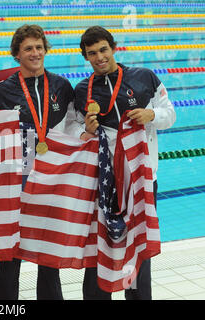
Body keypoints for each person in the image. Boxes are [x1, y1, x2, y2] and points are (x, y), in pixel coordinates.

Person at [71, 25, 176, 300]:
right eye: (92, 53)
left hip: (142, 180)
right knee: (99, 244)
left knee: (139, 246)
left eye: (103, 50)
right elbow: (72, 129)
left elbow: (170, 114)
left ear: (113, 48)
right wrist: (87, 130)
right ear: (86, 57)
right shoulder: (83, 90)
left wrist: (151, 114)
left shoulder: (145, 78)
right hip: (103, 182)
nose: (99, 57)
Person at [0, 24, 75, 300]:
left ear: (46, 49)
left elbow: (72, 128)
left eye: (39, 47)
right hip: (19, 178)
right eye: (28, 48)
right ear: (16, 54)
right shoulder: (3, 92)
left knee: (50, 249)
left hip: (53, 177)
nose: (35, 53)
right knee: (11, 250)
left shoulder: (61, 86)